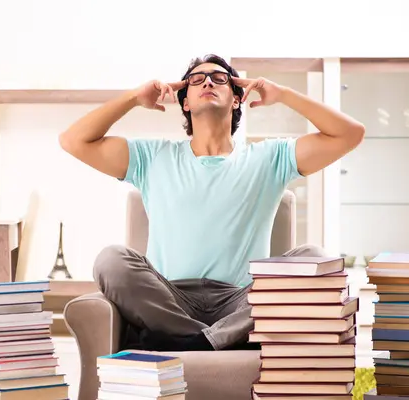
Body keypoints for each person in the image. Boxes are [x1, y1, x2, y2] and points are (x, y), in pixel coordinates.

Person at [58, 54, 365, 352]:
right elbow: (73, 141)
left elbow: (350, 134)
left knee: (314, 258)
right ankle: (212, 338)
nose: (208, 82)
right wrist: (133, 98)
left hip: (243, 302)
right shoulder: (151, 157)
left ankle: (200, 341)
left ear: (236, 99)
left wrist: (283, 95)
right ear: (185, 102)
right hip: (170, 298)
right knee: (111, 258)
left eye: (220, 78)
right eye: (196, 79)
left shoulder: (270, 157)